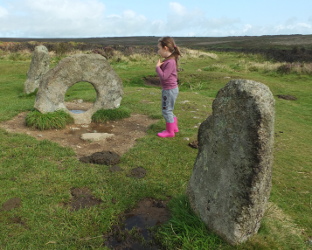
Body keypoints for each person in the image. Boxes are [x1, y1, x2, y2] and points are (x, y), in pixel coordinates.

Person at [156, 36, 181, 138]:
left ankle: (170, 132)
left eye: (159, 48)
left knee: (166, 111)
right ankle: (174, 128)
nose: (158, 51)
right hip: (171, 89)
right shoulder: (170, 60)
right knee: (169, 109)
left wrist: (157, 67)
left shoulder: (170, 62)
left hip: (169, 90)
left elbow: (164, 77)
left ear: (165, 48)